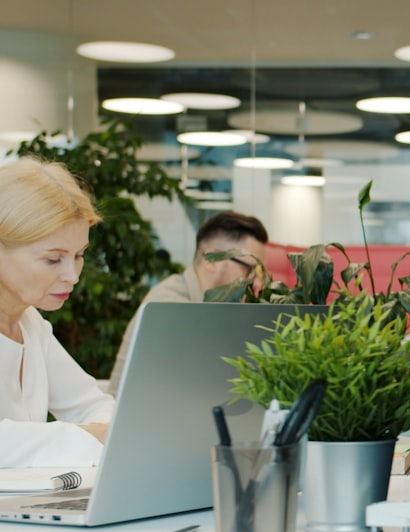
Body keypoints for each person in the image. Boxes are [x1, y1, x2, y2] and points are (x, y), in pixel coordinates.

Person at [0, 157, 115, 467]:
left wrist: (84, 434)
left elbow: (94, 405)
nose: (73, 276)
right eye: (53, 260)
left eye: (78, 255)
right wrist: (86, 437)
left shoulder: (30, 323)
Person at [108, 211, 268, 391]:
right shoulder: (170, 305)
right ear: (211, 259)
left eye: (261, 273)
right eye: (250, 269)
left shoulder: (210, 307)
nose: (258, 282)